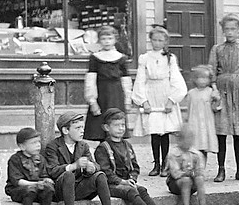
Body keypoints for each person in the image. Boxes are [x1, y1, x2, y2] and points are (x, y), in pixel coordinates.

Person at [43, 111, 125, 205]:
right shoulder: (53, 146)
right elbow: (52, 171)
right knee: (68, 175)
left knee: (100, 175)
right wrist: (73, 166)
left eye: (82, 127)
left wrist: (92, 168)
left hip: (79, 188)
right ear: (65, 130)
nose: (82, 131)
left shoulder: (83, 145)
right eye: (77, 128)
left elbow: (96, 166)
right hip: (60, 190)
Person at [94, 109, 177, 205]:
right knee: (131, 191)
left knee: (142, 189)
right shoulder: (103, 148)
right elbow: (105, 172)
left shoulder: (127, 146)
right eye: (117, 125)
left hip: (127, 182)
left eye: (123, 125)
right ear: (106, 127)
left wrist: (132, 179)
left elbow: (135, 166)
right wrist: (122, 182)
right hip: (110, 185)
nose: (121, 128)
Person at [132, 25, 188, 176]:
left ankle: (165, 164)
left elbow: (176, 79)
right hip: (151, 94)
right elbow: (140, 80)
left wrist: (172, 100)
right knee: (154, 132)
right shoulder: (145, 58)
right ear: (150, 40)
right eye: (154, 40)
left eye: (160, 40)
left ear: (165, 42)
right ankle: (156, 163)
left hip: (165, 93)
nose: (157, 43)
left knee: (164, 132)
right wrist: (143, 101)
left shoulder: (170, 58)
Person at [209, 13, 239, 182]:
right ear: (222, 31)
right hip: (222, 91)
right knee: (221, 132)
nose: (229, 32)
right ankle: (221, 169)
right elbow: (211, 72)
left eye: (233, 29)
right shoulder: (217, 49)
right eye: (226, 29)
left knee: (238, 133)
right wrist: (214, 89)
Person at [84, 25, 131, 142]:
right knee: (101, 127)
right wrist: (92, 102)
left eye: (109, 38)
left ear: (115, 40)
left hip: (116, 95)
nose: (107, 41)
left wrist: (128, 100)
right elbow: (90, 80)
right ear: (99, 40)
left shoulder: (121, 58)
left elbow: (125, 80)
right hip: (101, 95)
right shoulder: (95, 58)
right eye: (104, 39)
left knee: (116, 123)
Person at [5, 127, 56, 205]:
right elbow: (17, 181)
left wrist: (46, 180)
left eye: (38, 142)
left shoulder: (40, 159)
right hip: (18, 190)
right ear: (22, 146)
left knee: (49, 190)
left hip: (37, 187)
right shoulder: (15, 159)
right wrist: (35, 184)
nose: (38, 145)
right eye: (33, 143)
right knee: (30, 190)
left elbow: (43, 175)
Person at [183, 64, 221, 167]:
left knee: (204, 144)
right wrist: (186, 120)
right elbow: (189, 107)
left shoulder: (210, 92)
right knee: (194, 145)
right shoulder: (191, 93)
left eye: (205, 78)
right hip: (194, 122)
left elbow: (216, 106)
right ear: (195, 79)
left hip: (205, 122)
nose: (202, 81)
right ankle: (193, 167)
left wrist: (215, 94)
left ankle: (202, 167)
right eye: (200, 78)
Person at [166, 126, 207, 205]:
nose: (187, 142)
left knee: (200, 179)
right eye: (185, 139)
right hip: (176, 183)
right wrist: (187, 173)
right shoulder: (174, 153)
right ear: (179, 140)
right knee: (186, 180)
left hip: (193, 180)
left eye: (190, 139)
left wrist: (196, 173)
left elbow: (201, 170)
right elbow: (175, 173)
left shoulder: (196, 153)